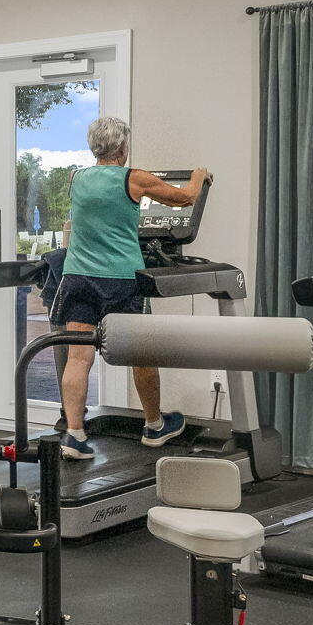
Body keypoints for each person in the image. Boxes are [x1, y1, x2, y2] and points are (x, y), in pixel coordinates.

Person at [52, 116, 209, 460]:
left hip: (78, 277)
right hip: (121, 280)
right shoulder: (134, 179)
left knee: (79, 357)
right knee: (141, 355)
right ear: (122, 147)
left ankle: (75, 435)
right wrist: (199, 177)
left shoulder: (75, 178)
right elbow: (185, 199)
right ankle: (154, 426)